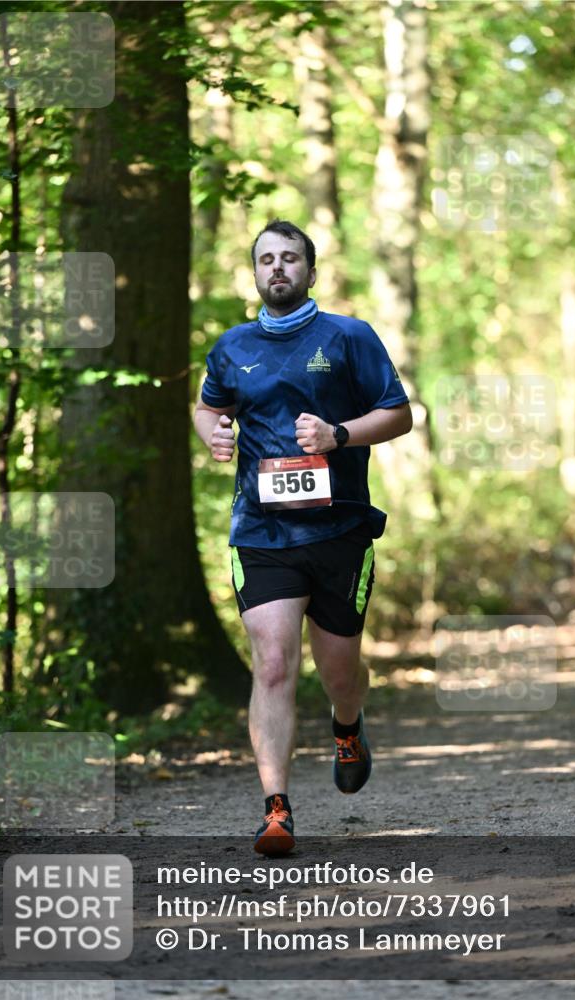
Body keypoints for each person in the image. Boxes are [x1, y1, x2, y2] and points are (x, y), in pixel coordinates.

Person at [194, 219, 412, 855]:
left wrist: (339, 435)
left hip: (339, 528)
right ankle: (276, 809)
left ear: (311, 272)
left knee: (339, 672)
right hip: (262, 531)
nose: (278, 268)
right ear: (255, 272)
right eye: (267, 259)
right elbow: (209, 406)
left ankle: (347, 724)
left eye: (290, 258)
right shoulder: (232, 347)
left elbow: (397, 414)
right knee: (272, 662)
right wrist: (212, 434)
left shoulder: (349, 336)